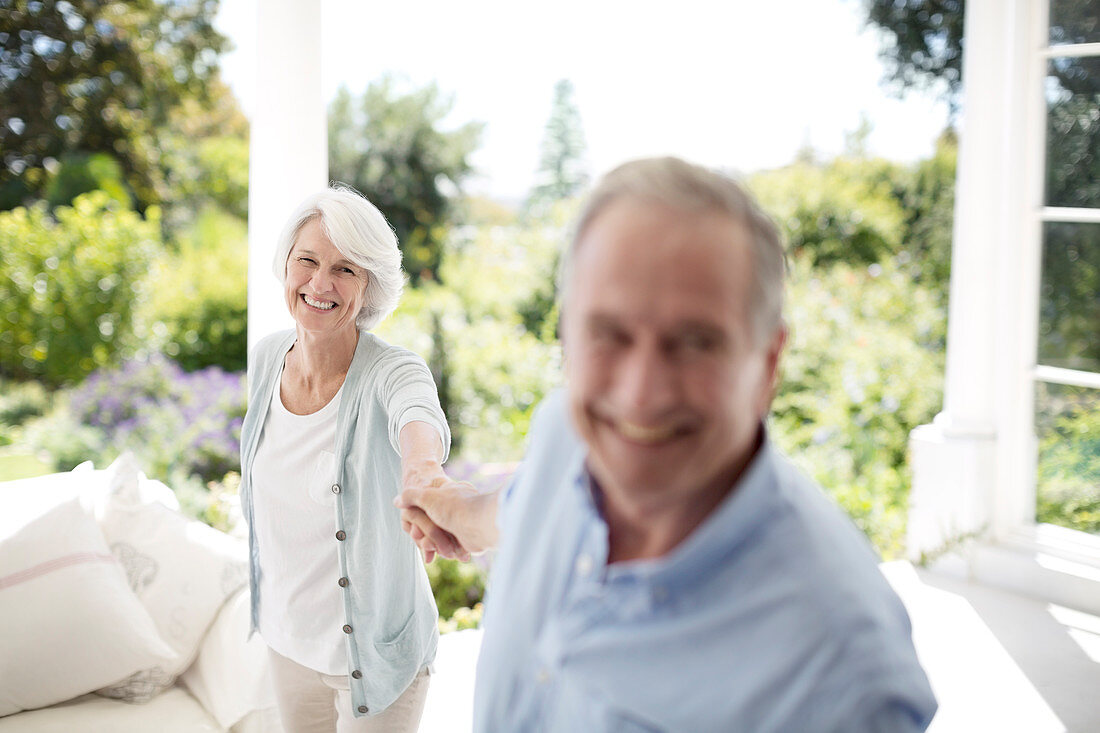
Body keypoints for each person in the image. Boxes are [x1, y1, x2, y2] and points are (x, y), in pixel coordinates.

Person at [396, 157, 938, 731]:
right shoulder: (567, 431)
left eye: (695, 342)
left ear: (769, 362)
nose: (640, 397)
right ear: (566, 334)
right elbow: (525, 513)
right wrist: (450, 507)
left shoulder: (839, 678)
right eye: (609, 334)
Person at [240, 185, 456, 732]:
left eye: (345, 270)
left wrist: (423, 477)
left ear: (370, 286)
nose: (320, 283)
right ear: (286, 265)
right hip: (288, 642)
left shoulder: (392, 370)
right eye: (307, 261)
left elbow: (418, 419)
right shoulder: (268, 358)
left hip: (375, 658)